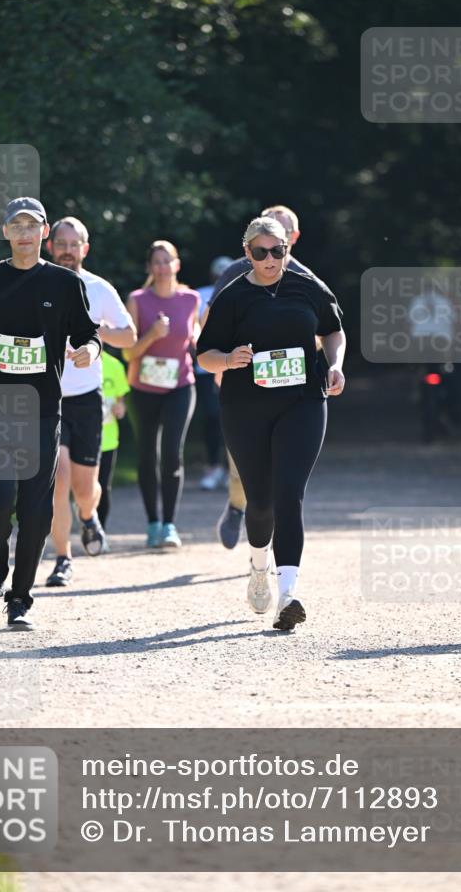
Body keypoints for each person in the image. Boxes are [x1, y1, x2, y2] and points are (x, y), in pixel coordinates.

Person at [0, 197, 102, 630]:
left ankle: (20, 598)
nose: (25, 233)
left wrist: (87, 351)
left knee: (36, 512)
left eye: (33, 225)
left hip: (41, 412)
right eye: (17, 225)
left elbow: (89, 333)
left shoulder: (65, 284)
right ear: (5, 232)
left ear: (44, 233)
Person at [197, 216, 346, 631]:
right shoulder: (232, 297)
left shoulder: (308, 287)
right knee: (259, 502)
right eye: (260, 252)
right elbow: (203, 352)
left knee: (289, 494)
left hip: (303, 401)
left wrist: (335, 365)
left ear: (288, 250)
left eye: (277, 250)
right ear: (247, 253)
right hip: (245, 407)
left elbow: (334, 331)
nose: (269, 259)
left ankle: (289, 594)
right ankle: (259, 566)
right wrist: (227, 360)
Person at [203, 205, 316, 550]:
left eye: (280, 238)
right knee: (245, 470)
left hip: (291, 391)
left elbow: (322, 332)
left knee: (286, 473)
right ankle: (239, 506)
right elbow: (210, 325)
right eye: (262, 242)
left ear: (292, 239)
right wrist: (223, 364)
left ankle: (278, 545)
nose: (270, 250)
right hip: (244, 387)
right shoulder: (238, 273)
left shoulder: (306, 280)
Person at [44, 217, 136, 588]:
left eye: (74, 243)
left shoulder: (99, 289)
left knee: (85, 488)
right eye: (61, 243)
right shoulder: (37, 284)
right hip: (48, 398)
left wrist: (93, 335)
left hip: (86, 399)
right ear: (50, 246)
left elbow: (129, 335)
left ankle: (88, 514)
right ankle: (62, 558)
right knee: (58, 477)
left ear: (85, 248)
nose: (67, 250)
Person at [124, 240, 200, 548]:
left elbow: (196, 336)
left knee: (171, 452)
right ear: (149, 267)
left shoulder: (191, 299)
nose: (162, 267)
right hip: (143, 388)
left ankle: (169, 525)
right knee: (147, 454)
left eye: (167, 261)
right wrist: (152, 335)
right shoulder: (138, 300)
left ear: (177, 265)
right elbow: (128, 353)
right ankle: (152, 522)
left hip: (180, 385)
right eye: (156, 261)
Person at [195, 255, 234, 490]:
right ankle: (213, 466)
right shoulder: (200, 294)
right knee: (211, 417)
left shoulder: (243, 290)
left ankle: (234, 469)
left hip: (235, 365)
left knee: (234, 417)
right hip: (206, 367)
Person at [96, 347, 131, 530]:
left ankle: (100, 531)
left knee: (102, 486)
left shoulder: (114, 365)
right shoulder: (70, 361)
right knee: (79, 486)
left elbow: (121, 401)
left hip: (107, 439)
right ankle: (83, 517)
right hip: (77, 437)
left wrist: (120, 409)